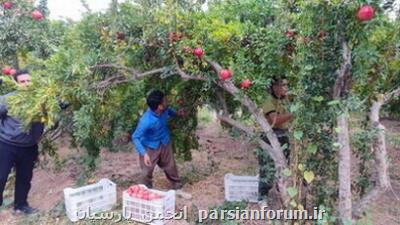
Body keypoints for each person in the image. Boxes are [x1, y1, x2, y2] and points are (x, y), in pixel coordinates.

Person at [0, 70, 42, 215]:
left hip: (29, 147)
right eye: (22, 82)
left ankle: (21, 206)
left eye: (29, 81)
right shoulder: (7, 99)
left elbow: (52, 117)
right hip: (6, 145)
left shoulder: (41, 99)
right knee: (1, 176)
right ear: (16, 84)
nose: (26, 84)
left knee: (24, 178)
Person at [132, 90, 186, 192]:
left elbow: (170, 111)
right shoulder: (146, 121)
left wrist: (178, 114)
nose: (167, 101)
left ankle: (177, 185)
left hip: (164, 141)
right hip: (150, 146)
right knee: (146, 171)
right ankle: (146, 190)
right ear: (159, 106)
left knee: (170, 165)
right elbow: (135, 137)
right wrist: (144, 154)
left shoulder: (165, 109)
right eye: (165, 100)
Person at [258, 77, 292, 204]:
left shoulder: (284, 100)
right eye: (281, 85)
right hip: (270, 138)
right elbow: (275, 120)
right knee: (267, 168)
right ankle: (262, 197)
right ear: (273, 87)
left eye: (285, 85)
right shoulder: (268, 101)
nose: (284, 88)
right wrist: (293, 113)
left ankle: (282, 193)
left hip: (283, 136)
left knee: (284, 166)